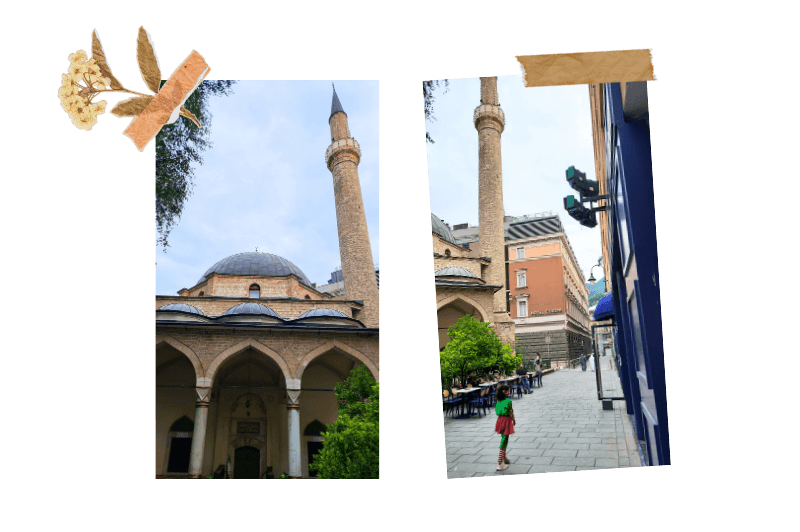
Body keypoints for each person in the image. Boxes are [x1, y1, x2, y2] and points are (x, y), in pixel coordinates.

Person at [494, 385, 515, 471]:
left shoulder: (498, 400)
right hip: (506, 420)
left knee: (503, 438)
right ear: (505, 392)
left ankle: (504, 458)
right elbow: (510, 412)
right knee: (504, 440)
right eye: (508, 390)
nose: (509, 392)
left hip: (499, 420)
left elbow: (497, 411)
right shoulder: (508, 401)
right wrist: (514, 420)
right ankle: (499, 463)